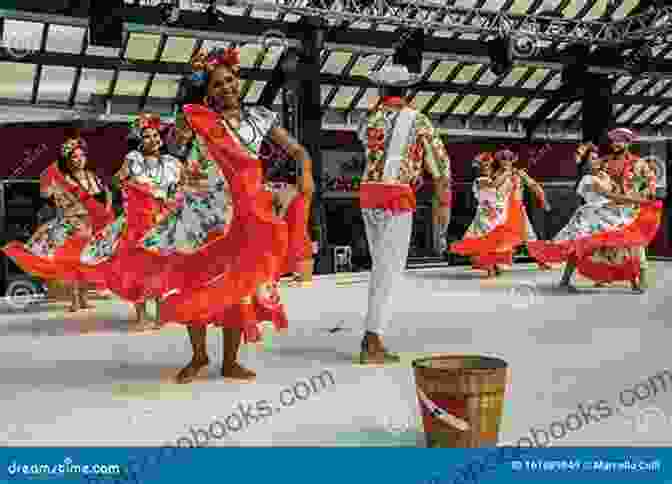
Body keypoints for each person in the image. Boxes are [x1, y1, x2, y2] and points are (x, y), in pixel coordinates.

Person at [140, 47, 308, 384]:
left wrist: (305, 174)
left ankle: (230, 361)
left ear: (239, 81)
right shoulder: (199, 119)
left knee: (238, 289)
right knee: (196, 284)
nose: (226, 88)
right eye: (217, 84)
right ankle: (199, 356)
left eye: (230, 80)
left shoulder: (260, 117)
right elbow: (174, 145)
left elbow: (298, 150)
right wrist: (188, 99)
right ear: (207, 92)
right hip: (202, 216)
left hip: (243, 215)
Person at [357, 64, 451, 365]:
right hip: (395, 198)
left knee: (380, 265)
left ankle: (372, 336)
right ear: (407, 90)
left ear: (382, 90)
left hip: (368, 196)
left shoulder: (368, 119)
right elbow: (440, 165)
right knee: (389, 271)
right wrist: (441, 203)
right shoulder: (418, 120)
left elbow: (370, 142)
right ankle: (372, 340)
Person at [80, 114, 182, 329]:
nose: (153, 139)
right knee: (139, 269)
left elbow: (179, 190)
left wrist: (171, 204)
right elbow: (116, 181)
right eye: (147, 136)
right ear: (139, 140)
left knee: (161, 268)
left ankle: (161, 315)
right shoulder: (133, 159)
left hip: (162, 220)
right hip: (138, 221)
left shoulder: (172, 163)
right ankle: (142, 316)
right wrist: (131, 185)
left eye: (155, 135)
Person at [527, 147, 662, 292]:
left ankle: (633, 281)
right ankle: (565, 281)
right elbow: (610, 196)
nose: (596, 160)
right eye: (592, 159)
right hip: (590, 217)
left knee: (623, 241)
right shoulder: (588, 179)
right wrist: (636, 200)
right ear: (586, 163)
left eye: (597, 157)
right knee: (578, 247)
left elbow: (617, 193)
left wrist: (641, 188)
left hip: (607, 215)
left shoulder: (605, 176)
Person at [3, 137, 113, 312]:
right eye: (75, 157)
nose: (79, 160)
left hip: (91, 225)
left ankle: (83, 297)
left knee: (87, 262)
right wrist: (51, 176)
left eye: (82, 156)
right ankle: (75, 299)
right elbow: (46, 194)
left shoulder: (93, 177)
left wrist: (105, 212)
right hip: (71, 226)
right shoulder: (62, 179)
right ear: (68, 161)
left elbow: (106, 195)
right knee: (73, 262)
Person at [450, 149, 546, 278]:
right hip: (500, 210)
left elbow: (533, 185)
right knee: (496, 238)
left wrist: (542, 198)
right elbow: (490, 189)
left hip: (517, 208)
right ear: (499, 160)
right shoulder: (494, 175)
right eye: (503, 158)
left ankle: (540, 261)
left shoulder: (518, 173)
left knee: (529, 236)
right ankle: (494, 265)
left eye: (508, 158)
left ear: (513, 160)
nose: (506, 160)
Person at [601, 127, 658, 291]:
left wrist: (644, 194)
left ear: (627, 143)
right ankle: (628, 278)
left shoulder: (638, 163)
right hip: (611, 209)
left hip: (632, 209)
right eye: (613, 141)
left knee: (635, 243)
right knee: (613, 245)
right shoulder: (606, 163)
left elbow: (651, 181)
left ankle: (643, 278)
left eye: (619, 141)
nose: (615, 144)